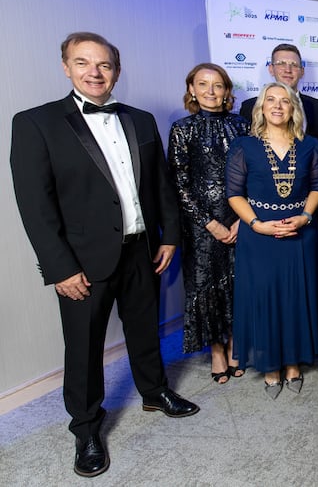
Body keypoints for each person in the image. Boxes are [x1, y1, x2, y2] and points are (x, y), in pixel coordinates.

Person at [9, 32, 198, 478]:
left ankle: (154, 391)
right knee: (84, 348)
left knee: (144, 331)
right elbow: (35, 206)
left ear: (116, 69)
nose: (95, 73)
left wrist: (169, 235)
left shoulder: (141, 119)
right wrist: (60, 268)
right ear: (66, 67)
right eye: (83, 63)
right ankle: (87, 428)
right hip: (82, 263)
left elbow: (160, 185)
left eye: (104, 65)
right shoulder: (35, 123)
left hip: (142, 250)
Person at [226, 81, 318, 400]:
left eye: (285, 101)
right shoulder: (244, 145)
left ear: (293, 108)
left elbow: (317, 187)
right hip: (259, 235)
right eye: (271, 100)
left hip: (300, 231)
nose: (278, 106)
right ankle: (270, 365)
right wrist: (257, 224)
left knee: (296, 297)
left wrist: (305, 217)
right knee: (265, 298)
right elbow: (234, 194)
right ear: (261, 107)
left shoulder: (309, 144)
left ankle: (294, 364)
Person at [167, 63, 250, 383]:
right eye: (203, 84)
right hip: (201, 227)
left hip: (240, 219)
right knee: (206, 288)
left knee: (238, 285)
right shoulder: (182, 129)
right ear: (192, 89)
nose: (211, 91)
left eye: (218, 85)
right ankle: (217, 350)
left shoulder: (242, 126)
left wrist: (243, 221)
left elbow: (253, 178)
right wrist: (209, 223)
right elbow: (179, 184)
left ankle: (235, 345)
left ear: (227, 91)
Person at [239, 44, 318, 229]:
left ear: (302, 71)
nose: (288, 69)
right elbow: (242, 164)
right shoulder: (249, 108)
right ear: (271, 68)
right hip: (261, 211)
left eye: (294, 65)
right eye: (281, 63)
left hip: (309, 206)